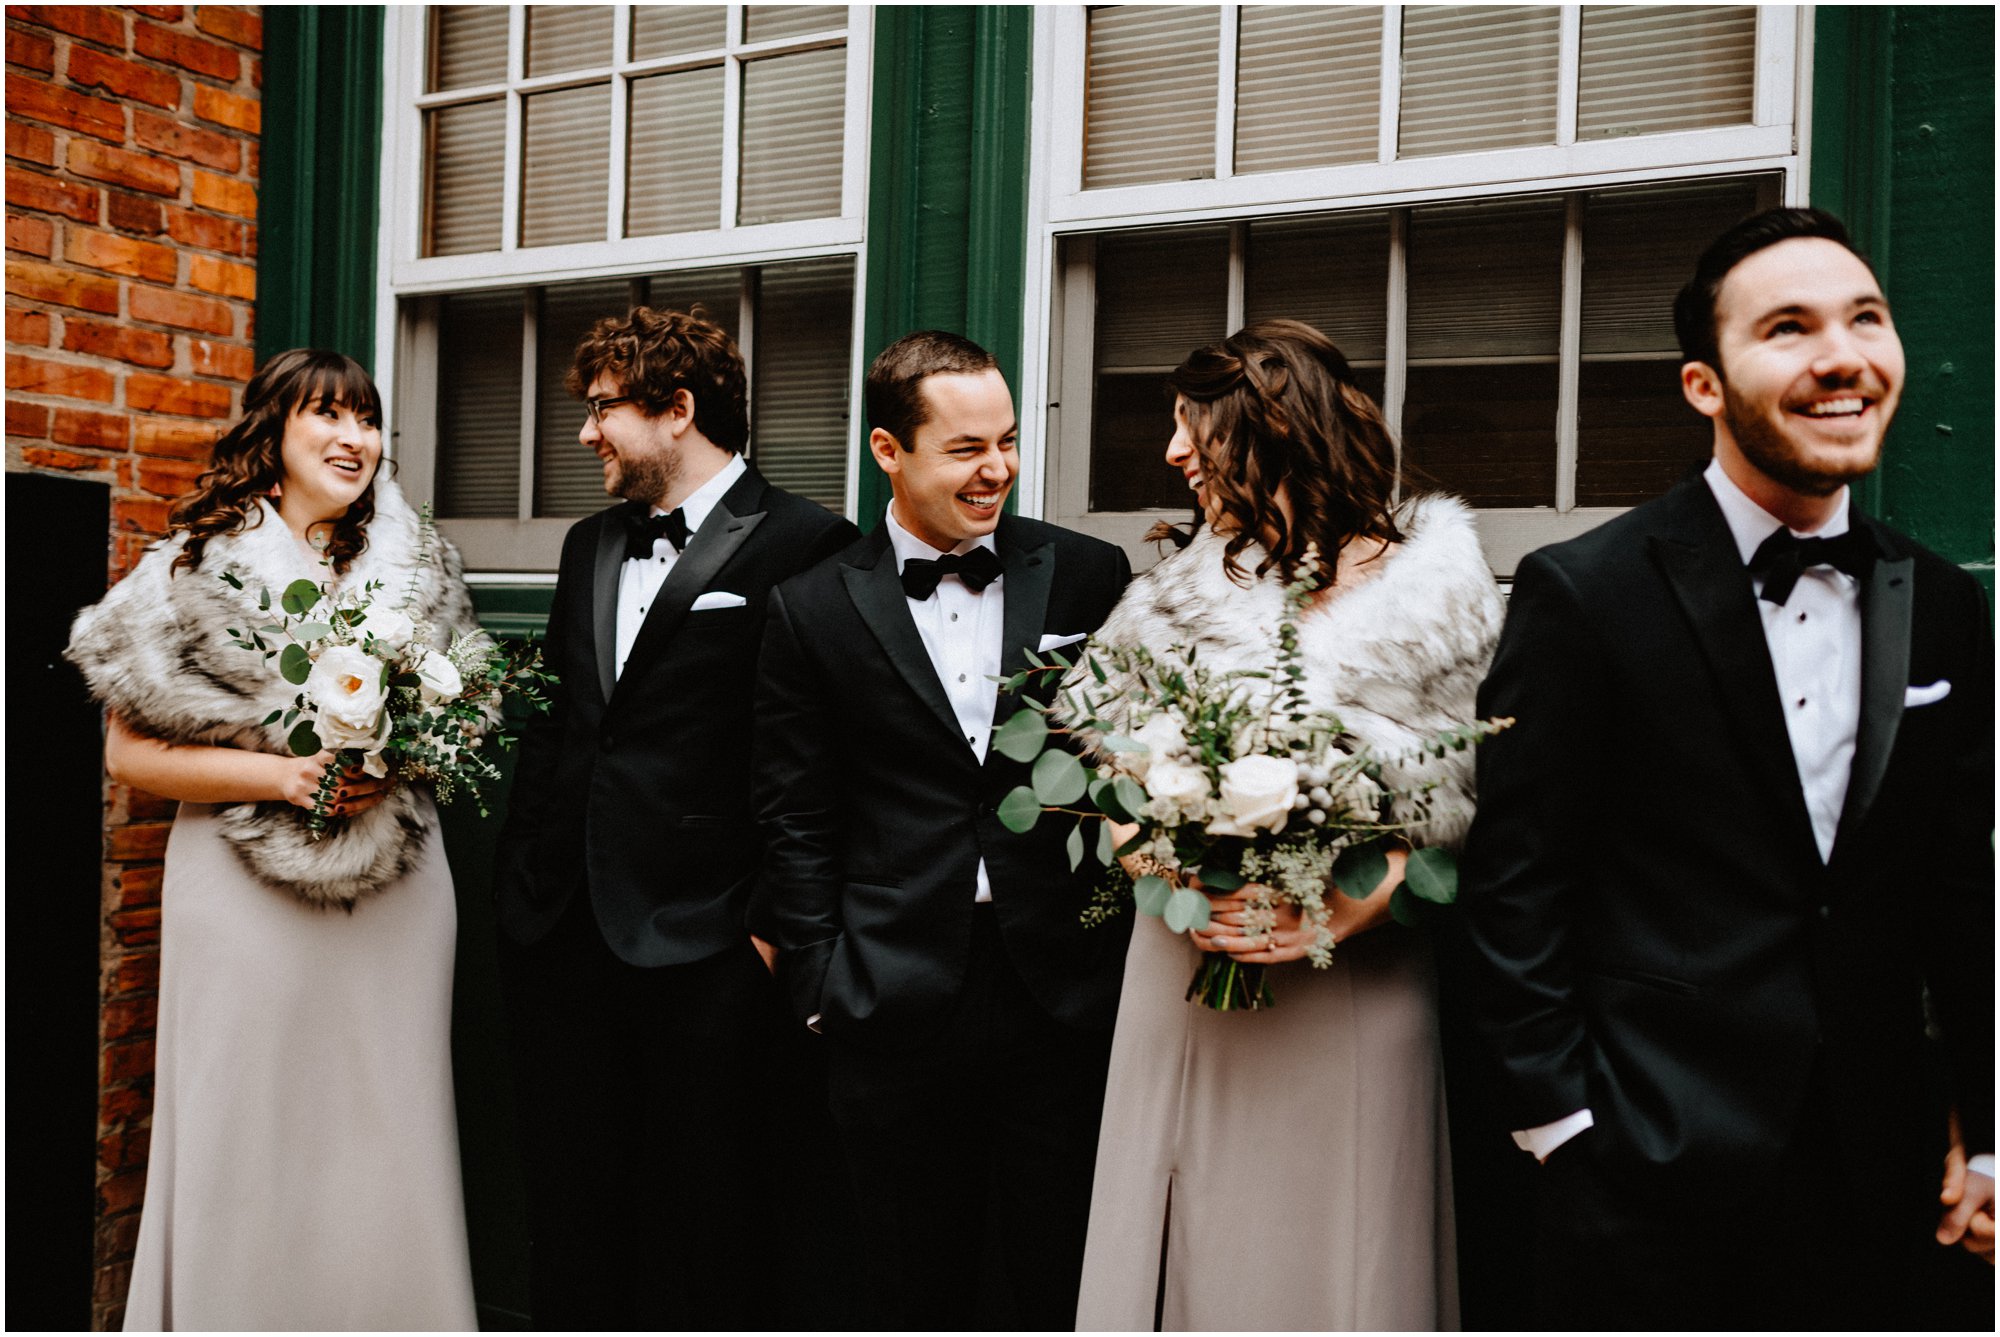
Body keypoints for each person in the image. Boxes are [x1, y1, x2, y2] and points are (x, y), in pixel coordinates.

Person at [1459, 207, 1995, 1328]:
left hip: (1885, 1172)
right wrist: (1562, 1130)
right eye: (1788, 328)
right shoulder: (1582, 592)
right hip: (1645, 1162)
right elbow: (1515, 886)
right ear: (1703, 384)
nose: (1841, 355)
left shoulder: (1944, 603)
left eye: (1864, 318)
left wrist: (1986, 1127)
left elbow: (1959, 888)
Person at [1062, 319, 1501, 1330]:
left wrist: (1339, 916)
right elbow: (1100, 774)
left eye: (1191, 429)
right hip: (1187, 965)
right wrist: (1161, 869)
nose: (1172, 455)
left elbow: (1476, 808)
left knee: (1341, 1244)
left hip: (1355, 969)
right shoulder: (1168, 595)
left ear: (1266, 429)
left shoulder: (1437, 593)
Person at [64, 349, 479, 1330]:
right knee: (249, 1124)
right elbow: (131, 753)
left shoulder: (415, 569)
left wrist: (405, 743)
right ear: (271, 434)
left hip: (395, 888)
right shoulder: (191, 570)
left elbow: (460, 719)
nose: (355, 439)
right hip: (242, 892)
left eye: (368, 421)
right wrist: (284, 775)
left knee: (390, 1119)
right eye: (328, 416)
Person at [750, 330, 1133, 1329]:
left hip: (1062, 988)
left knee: (1062, 1274)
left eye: (1005, 441)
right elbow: (795, 812)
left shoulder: (1089, 575)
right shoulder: (810, 607)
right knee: (911, 1280)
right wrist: (820, 984)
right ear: (888, 449)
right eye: (965, 447)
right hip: (890, 996)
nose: (995, 467)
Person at [491, 305, 858, 1329]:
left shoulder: (807, 540)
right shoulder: (585, 543)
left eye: (603, 408)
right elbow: (565, 724)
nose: (584, 432)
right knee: (574, 1209)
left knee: (713, 1220)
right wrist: (523, 881)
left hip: (709, 947)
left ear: (677, 408)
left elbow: (817, 756)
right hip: (562, 932)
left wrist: (767, 926)